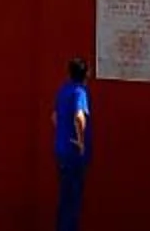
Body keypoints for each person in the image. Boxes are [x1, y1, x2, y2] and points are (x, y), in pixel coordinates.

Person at [51, 58, 92, 231]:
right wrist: (81, 141)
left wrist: (62, 133)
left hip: (61, 150)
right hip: (74, 153)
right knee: (73, 201)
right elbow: (79, 116)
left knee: (64, 199)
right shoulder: (79, 92)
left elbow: (54, 117)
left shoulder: (63, 90)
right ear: (86, 74)